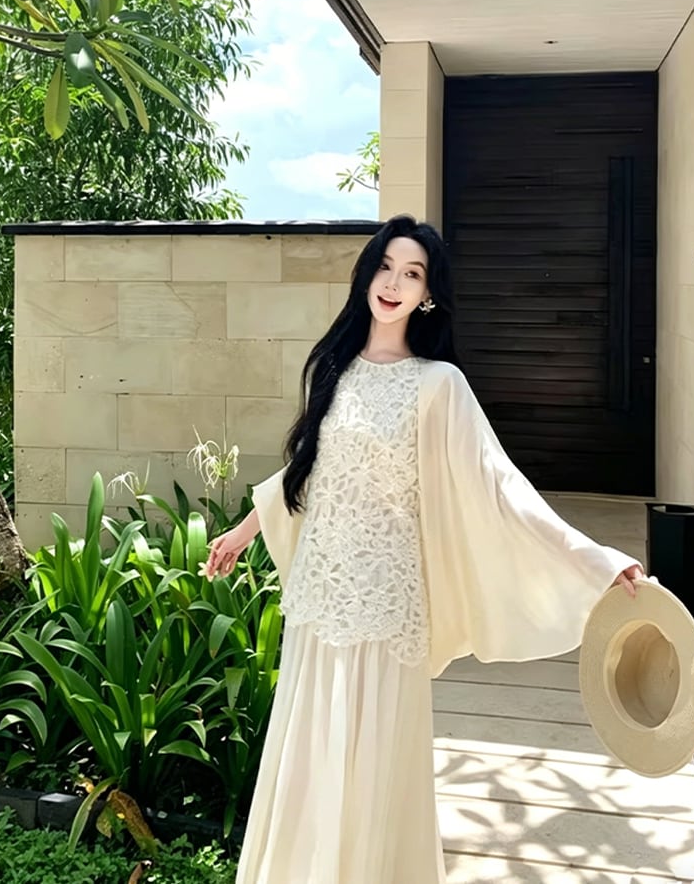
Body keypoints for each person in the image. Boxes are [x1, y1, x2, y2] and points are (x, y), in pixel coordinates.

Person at [204, 214, 644, 884]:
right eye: (386, 267)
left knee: (377, 755)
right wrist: (243, 530)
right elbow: (313, 468)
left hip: (388, 600)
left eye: (412, 274)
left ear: (428, 294)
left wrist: (595, 558)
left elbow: (501, 485)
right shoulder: (334, 368)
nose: (394, 283)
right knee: (312, 743)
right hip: (321, 595)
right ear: (367, 274)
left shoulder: (440, 384)